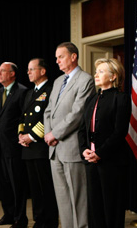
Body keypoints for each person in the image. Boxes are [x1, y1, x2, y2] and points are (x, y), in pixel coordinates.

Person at [44, 42, 95, 228]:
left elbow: (78, 113)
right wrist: (49, 134)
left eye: (61, 56)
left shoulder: (86, 80)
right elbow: (48, 110)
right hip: (54, 149)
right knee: (63, 198)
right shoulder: (58, 81)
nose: (57, 61)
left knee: (78, 197)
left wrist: (55, 133)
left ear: (73, 57)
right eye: (56, 57)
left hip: (71, 147)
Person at [77, 58, 131, 228]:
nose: (96, 75)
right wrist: (84, 150)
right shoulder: (91, 99)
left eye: (101, 71)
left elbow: (119, 132)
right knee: (94, 207)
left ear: (113, 76)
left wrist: (99, 153)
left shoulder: (121, 98)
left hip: (111, 162)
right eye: (96, 71)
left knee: (111, 208)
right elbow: (82, 129)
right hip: (91, 162)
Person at [18, 58, 58, 228]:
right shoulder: (29, 93)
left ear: (42, 71)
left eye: (32, 69)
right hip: (28, 148)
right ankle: (39, 219)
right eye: (28, 69)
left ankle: (49, 221)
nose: (28, 72)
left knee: (45, 187)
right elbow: (23, 117)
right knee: (34, 189)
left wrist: (32, 136)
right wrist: (21, 134)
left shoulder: (51, 90)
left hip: (41, 145)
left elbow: (48, 118)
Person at [0, 61, 29, 228]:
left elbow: (23, 118)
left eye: (2, 71)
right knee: (4, 183)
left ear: (12, 74)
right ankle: (8, 214)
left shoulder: (22, 92)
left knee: (17, 184)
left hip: (14, 146)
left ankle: (20, 218)